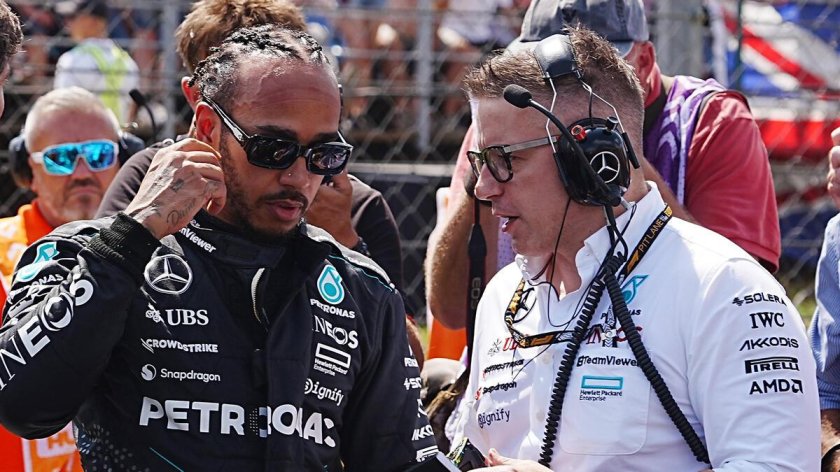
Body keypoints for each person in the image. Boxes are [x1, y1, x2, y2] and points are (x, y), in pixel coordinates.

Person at [0, 24, 436, 470]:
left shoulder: (359, 288)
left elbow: (404, 462)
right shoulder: (92, 253)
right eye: (273, 149)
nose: (298, 176)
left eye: (323, 154)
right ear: (208, 128)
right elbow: (21, 406)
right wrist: (132, 238)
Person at [448, 26, 818, 470]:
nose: (483, 189)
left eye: (505, 160)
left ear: (593, 159)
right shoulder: (502, 296)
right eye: (480, 163)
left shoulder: (726, 289)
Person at [425, 0, 781, 344]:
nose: (558, 92)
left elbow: (742, 301)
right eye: (539, 71)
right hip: (522, 351)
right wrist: (495, 162)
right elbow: (452, 311)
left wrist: (614, 155)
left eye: (590, 75)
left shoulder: (712, 121)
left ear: (645, 60)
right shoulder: (509, 119)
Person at [95, 0, 421, 367]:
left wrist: (344, 242)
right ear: (198, 101)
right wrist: (146, 226)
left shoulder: (352, 203)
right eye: (270, 146)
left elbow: (408, 361)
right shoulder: (151, 175)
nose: (297, 175)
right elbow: (87, 322)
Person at [0, 87, 124, 287]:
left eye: (99, 154)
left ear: (122, 160)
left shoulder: (155, 250)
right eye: (60, 158)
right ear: (29, 171)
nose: (82, 173)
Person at [53, 0, 140, 125]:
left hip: (79, 135)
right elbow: (131, 109)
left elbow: (62, 108)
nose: (67, 24)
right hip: (118, 135)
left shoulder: (71, 60)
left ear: (93, 21)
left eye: (73, 17)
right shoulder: (128, 63)